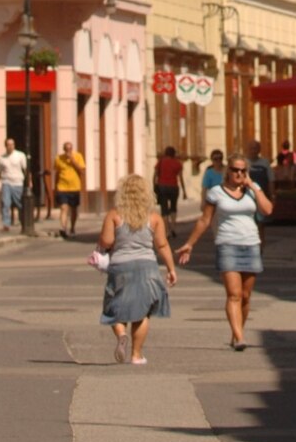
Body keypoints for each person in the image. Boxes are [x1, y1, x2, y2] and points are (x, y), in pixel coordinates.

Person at [177, 150, 273, 350]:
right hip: (227, 244)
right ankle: (239, 337)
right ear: (227, 171)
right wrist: (190, 243)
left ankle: (237, 331)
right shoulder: (216, 192)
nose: (239, 174)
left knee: (246, 296)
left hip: (251, 245)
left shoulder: (251, 191)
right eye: (235, 170)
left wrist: (253, 187)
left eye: (242, 170)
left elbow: (267, 210)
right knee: (234, 294)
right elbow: (205, 220)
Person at [98, 173, 176, 364]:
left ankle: (121, 333)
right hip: (147, 267)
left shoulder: (114, 215)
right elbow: (163, 245)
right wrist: (171, 269)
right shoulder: (154, 218)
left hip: (120, 266)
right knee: (142, 312)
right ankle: (136, 355)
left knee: (114, 306)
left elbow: (107, 241)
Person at [0, 137, 28, 230]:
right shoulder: (1, 158)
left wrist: (29, 181)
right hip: (6, 182)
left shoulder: (20, 155)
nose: (10, 146)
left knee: (19, 203)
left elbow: (26, 170)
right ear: (5, 146)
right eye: (8, 145)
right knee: (6, 203)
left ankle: (23, 220)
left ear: (14, 145)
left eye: (12, 144)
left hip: (18, 182)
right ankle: (6, 224)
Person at [53, 141, 85, 240]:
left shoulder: (78, 156)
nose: (68, 151)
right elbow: (57, 173)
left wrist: (73, 160)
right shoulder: (58, 158)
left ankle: (72, 227)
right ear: (64, 149)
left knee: (74, 209)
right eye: (66, 149)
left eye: (70, 149)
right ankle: (63, 228)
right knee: (64, 208)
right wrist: (55, 187)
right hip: (62, 187)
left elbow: (82, 171)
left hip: (74, 187)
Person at [152, 144, 185, 234]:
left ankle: (166, 230)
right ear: (174, 154)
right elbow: (181, 178)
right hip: (173, 186)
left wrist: (154, 186)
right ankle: (173, 227)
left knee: (164, 208)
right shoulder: (178, 163)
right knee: (173, 207)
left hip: (162, 186)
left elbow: (155, 175)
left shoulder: (161, 162)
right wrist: (184, 190)